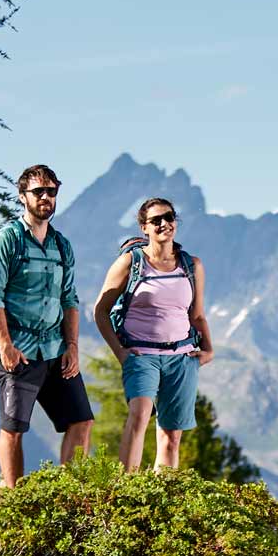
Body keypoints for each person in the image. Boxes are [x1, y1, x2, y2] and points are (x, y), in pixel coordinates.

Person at [0, 163, 93, 488]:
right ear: (22, 196)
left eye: (51, 191)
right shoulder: (6, 240)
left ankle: (67, 495)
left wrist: (72, 347)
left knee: (81, 421)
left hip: (56, 350)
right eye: (38, 191)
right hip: (19, 350)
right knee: (14, 428)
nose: (45, 197)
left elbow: (70, 299)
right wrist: (4, 344)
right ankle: (12, 498)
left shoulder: (62, 246)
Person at [95, 195, 214, 470]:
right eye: (156, 220)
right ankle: (124, 492)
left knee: (171, 436)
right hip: (141, 354)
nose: (164, 224)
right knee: (139, 415)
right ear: (144, 228)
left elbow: (196, 315)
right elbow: (100, 312)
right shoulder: (130, 262)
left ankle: (163, 500)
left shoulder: (192, 265)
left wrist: (208, 349)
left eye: (169, 217)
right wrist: (121, 353)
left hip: (182, 357)